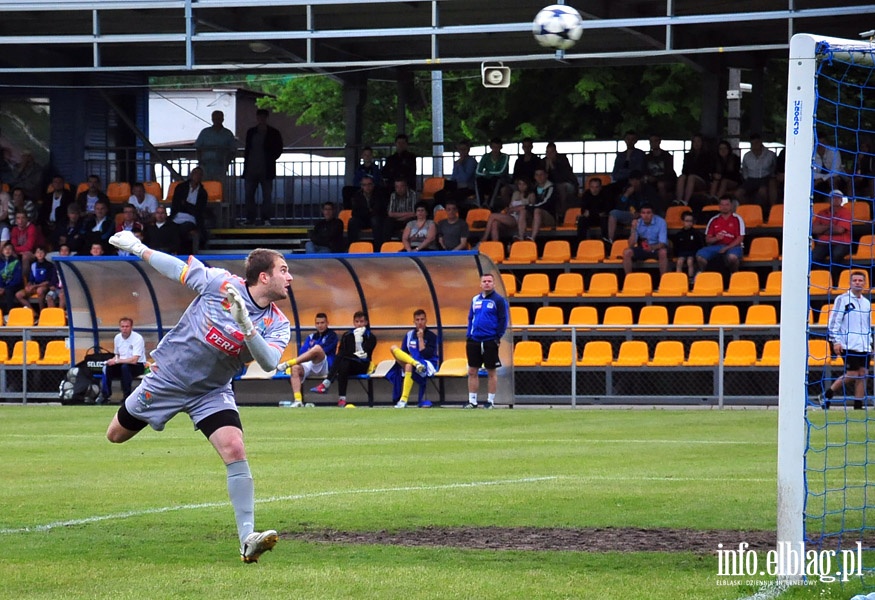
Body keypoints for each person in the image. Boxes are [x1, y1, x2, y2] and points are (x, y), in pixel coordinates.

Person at [105, 230, 292, 563]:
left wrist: (247, 325)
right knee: (115, 436)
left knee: (234, 448)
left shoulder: (278, 324)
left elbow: (268, 363)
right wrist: (138, 248)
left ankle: (247, 538)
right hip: (167, 379)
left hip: (211, 390)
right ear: (264, 277)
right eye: (283, 270)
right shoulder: (221, 284)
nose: (289, 277)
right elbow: (176, 269)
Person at [820, 270, 873, 410]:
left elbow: (867, 325)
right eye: (855, 280)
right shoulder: (842, 299)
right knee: (853, 373)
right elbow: (834, 322)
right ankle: (827, 394)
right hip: (847, 344)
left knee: (863, 374)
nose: (857, 283)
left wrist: (870, 343)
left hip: (863, 345)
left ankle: (858, 405)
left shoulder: (867, 303)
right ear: (850, 282)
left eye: (860, 280)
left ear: (865, 283)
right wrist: (835, 341)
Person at [309, 310, 376, 407]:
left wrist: (358, 341)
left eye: (361, 322)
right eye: (357, 322)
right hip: (347, 364)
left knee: (343, 359)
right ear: (353, 323)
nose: (359, 324)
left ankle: (327, 383)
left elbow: (364, 354)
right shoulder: (347, 335)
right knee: (344, 363)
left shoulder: (371, 337)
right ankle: (341, 399)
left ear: (366, 323)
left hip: (361, 365)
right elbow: (341, 351)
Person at [465, 272, 508, 409]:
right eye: (484, 281)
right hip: (474, 339)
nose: (487, 283)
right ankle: (472, 401)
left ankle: (490, 401)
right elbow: (470, 318)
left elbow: (503, 320)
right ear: (480, 283)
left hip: (490, 340)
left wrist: (497, 337)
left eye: (489, 281)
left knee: (491, 371)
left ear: (494, 283)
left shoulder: (499, 300)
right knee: (472, 370)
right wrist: (469, 334)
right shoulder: (475, 300)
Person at [276, 312, 338, 408]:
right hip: (309, 364)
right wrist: (311, 352)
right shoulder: (311, 337)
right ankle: (298, 400)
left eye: (322, 323)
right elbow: (302, 352)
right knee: (295, 368)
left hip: (324, 365)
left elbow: (324, 350)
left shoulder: (332, 335)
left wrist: (312, 350)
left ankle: (289, 362)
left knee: (317, 348)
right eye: (317, 323)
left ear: (327, 323)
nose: (320, 325)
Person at [387, 309, 439, 408]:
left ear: (426, 320)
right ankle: (415, 364)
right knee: (393, 348)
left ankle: (403, 399)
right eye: (417, 320)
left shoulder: (431, 336)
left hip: (427, 364)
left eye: (422, 319)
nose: (420, 322)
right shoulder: (409, 335)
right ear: (414, 321)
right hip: (413, 362)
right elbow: (403, 353)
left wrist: (420, 338)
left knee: (408, 365)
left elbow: (427, 354)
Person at [242, 108, 284, 225]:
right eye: (259, 117)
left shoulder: (273, 133)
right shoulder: (251, 132)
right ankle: (250, 218)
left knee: (267, 196)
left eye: (263, 117)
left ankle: (266, 218)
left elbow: (279, 149)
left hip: (266, 169)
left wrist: (271, 159)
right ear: (257, 118)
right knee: (249, 195)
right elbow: (247, 149)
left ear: (266, 118)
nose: (261, 119)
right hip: (251, 168)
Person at [101, 316, 147, 402]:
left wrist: (117, 361)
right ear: (119, 327)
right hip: (122, 364)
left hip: (137, 366)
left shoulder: (137, 338)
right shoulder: (117, 338)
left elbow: (134, 360)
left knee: (125, 368)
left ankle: (127, 396)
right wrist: (111, 361)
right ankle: (106, 396)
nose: (124, 329)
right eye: (122, 327)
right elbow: (117, 355)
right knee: (108, 368)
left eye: (127, 326)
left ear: (131, 327)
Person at [695, 196, 745, 273]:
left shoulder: (737, 219)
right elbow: (707, 240)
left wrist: (727, 248)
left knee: (732, 257)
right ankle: (703, 274)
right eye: (722, 205)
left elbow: (740, 238)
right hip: (716, 246)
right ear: (719, 206)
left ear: (731, 206)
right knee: (700, 256)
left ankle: (734, 274)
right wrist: (716, 238)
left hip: (733, 246)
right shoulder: (713, 220)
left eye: (727, 204)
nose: (724, 207)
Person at [622, 203, 668, 274]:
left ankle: (663, 281)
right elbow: (631, 245)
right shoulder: (638, 222)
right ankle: (628, 279)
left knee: (663, 252)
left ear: (653, 214)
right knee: (627, 252)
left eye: (648, 213)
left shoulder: (661, 222)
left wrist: (652, 247)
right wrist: (633, 229)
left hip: (656, 247)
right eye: (643, 213)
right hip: (643, 248)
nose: (646, 215)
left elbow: (663, 243)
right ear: (640, 214)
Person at [171, 166, 209, 253]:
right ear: (191, 175)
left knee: (184, 228)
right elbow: (176, 204)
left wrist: (186, 204)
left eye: (199, 175)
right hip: (177, 216)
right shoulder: (180, 187)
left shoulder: (203, 193)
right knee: (171, 227)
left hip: (192, 219)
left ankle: (179, 252)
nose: (197, 176)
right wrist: (190, 207)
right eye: (195, 174)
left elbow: (199, 210)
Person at [483, 177, 532, 242]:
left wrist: (516, 208)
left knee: (492, 216)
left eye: (524, 184)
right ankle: (495, 244)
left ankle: (483, 239)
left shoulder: (531, 195)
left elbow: (530, 207)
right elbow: (510, 208)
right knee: (495, 223)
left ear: (527, 185)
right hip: (513, 217)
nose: (521, 186)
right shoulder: (516, 193)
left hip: (523, 219)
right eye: (520, 184)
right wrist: (511, 209)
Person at [811, 189, 852, 266]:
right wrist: (830, 226)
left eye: (838, 197)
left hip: (842, 243)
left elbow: (840, 230)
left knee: (837, 255)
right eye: (833, 197)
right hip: (824, 243)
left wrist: (822, 229)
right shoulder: (822, 213)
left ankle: (835, 276)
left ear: (841, 200)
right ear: (829, 199)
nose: (836, 199)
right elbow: (814, 229)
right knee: (813, 257)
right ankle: (822, 275)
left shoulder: (846, 212)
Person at [195, 110, 238, 181]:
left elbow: (233, 151)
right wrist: (200, 162)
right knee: (205, 187)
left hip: (221, 167)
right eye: (215, 119)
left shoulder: (228, 134)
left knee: (219, 187)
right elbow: (198, 148)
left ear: (223, 119)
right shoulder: (205, 132)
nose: (217, 121)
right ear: (212, 119)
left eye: (219, 119)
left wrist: (227, 162)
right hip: (205, 167)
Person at [347, 175, 388, 248]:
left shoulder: (379, 194)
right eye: (364, 185)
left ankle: (378, 248)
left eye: (369, 184)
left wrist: (367, 211)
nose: (367, 187)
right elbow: (355, 212)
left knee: (375, 220)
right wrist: (369, 211)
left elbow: (380, 210)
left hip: (376, 219)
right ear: (361, 186)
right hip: (363, 220)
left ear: (373, 185)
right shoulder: (356, 196)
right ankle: (352, 246)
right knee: (352, 221)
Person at [738, 133, 777, 209]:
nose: (754, 145)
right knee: (738, 193)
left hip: (765, 178)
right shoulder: (747, 155)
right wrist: (746, 178)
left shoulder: (770, 154)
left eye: (756, 143)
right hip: (751, 179)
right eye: (752, 143)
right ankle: (749, 208)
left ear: (760, 142)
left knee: (762, 192)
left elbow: (774, 167)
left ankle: (765, 210)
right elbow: (744, 169)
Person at [518, 167, 557, 241]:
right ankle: (521, 237)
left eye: (541, 174)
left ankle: (532, 238)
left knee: (537, 210)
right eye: (537, 175)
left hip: (548, 217)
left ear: (546, 175)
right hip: (535, 218)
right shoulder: (534, 188)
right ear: (534, 177)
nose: (539, 177)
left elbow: (545, 203)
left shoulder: (551, 187)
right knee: (523, 211)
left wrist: (527, 206)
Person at [674, 134, 712, 207]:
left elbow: (706, 171)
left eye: (698, 141)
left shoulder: (707, 156)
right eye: (694, 142)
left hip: (702, 180)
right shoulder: (688, 156)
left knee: (691, 177)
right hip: (689, 178)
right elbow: (684, 170)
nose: (696, 144)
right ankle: (678, 201)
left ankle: (686, 201)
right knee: (682, 177)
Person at [543, 141, 579, 215]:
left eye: (551, 152)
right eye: (547, 152)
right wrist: (546, 168)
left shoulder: (562, 159)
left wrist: (552, 167)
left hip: (567, 183)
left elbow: (561, 177)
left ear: (555, 152)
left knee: (561, 187)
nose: (549, 154)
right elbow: (543, 177)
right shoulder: (543, 161)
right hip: (552, 184)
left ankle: (563, 212)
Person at [476, 138, 511, 209]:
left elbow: (501, 172)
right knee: (478, 180)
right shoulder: (485, 156)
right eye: (494, 147)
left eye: (498, 147)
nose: (496, 149)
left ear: (501, 147)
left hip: (501, 181)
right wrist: (488, 175)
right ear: (490, 147)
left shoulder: (505, 157)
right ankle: (480, 204)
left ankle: (489, 204)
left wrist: (488, 173)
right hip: (488, 180)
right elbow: (477, 172)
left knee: (496, 179)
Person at [671, 210, 705, 279]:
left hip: (692, 253)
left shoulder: (696, 233)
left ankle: (691, 278)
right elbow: (676, 246)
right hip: (682, 252)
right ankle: (678, 278)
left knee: (690, 261)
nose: (689, 223)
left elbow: (700, 245)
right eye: (687, 221)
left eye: (690, 221)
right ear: (683, 222)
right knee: (679, 262)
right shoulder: (679, 234)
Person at [576, 176, 611, 242]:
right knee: (582, 220)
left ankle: (606, 243)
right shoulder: (586, 195)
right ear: (589, 187)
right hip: (591, 219)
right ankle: (580, 243)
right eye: (592, 187)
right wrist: (597, 212)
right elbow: (584, 211)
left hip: (601, 220)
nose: (594, 189)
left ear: (600, 187)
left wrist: (591, 212)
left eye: (596, 187)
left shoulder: (605, 194)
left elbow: (605, 211)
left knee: (605, 220)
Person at [644, 135, 677, 205]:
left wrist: (656, 179)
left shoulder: (667, 156)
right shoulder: (647, 157)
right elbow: (644, 171)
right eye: (651, 141)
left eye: (655, 141)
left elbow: (669, 173)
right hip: (651, 182)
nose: (653, 143)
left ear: (659, 142)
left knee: (661, 185)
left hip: (666, 181)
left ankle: (663, 208)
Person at [0, 241, 23, 314]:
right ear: (2, 251)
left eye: (9, 249)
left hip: (14, 285)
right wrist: (1, 286)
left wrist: (5, 287)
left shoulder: (16, 262)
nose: (7, 250)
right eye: (5, 249)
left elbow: (17, 278)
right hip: (3, 286)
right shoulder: (0, 262)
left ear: (12, 251)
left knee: (8, 291)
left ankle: (9, 313)